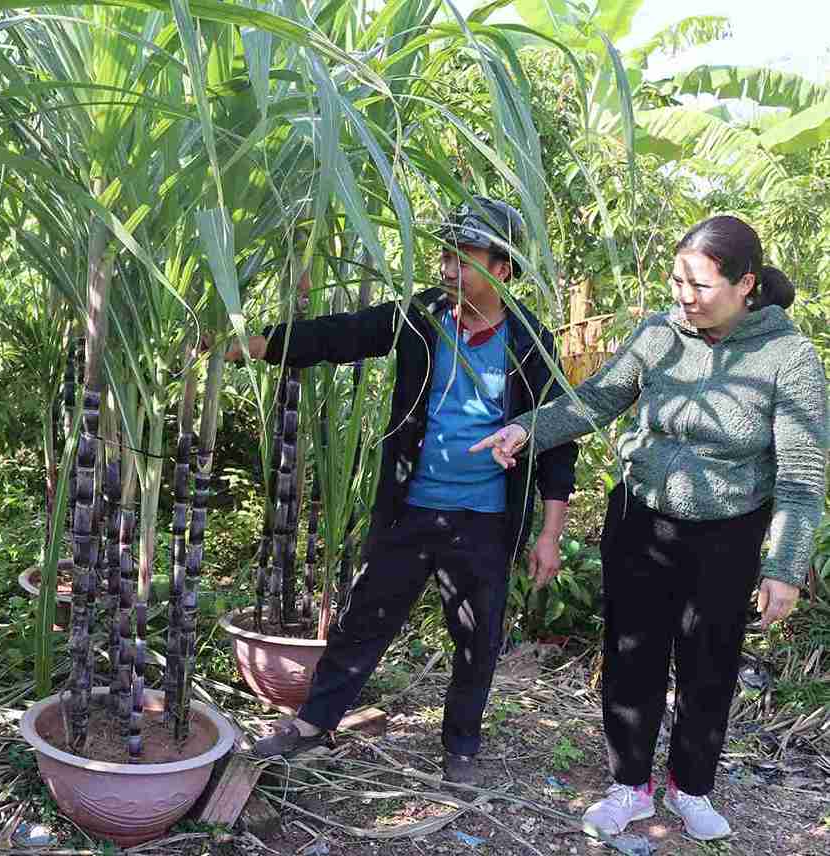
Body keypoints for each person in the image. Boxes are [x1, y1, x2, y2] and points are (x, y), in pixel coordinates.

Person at [472, 215, 829, 840]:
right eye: (677, 282)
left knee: (710, 663)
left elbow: (801, 475)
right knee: (631, 653)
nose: (684, 297)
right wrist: (528, 429)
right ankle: (629, 785)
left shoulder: (789, 357)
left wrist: (784, 566)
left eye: (700, 286)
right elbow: (596, 397)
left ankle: (691, 787)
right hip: (640, 521)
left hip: (727, 534)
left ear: (745, 285)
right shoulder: (660, 333)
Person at [225, 198, 579, 785]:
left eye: (464, 258)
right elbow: (345, 335)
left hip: (486, 518)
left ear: (503, 268)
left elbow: (557, 439)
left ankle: (461, 746)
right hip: (409, 508)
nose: (448, 269)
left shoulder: (529, 342)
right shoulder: (423, 317)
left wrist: (549, 533)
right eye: (445, 256)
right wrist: (257, 345)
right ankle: (312, 723)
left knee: (478, 638)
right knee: (364, 619)